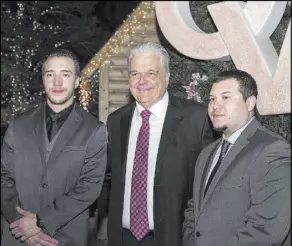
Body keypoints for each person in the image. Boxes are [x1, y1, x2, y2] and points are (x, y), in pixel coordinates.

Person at [106, 42, 217, 246]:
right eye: (135, 74)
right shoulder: (116, 121)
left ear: (166, 77)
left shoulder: (198, 119)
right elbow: (108, 179)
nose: (142, 81)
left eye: (151, 73)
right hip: (123, 238)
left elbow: (211, 185)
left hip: (175, 238)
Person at [1, 49, 107, 246]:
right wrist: (20, 223)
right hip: (18, 237)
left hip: (66, 238)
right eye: (50, 75)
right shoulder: (19, 125)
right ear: (43, 80)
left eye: (65, 75)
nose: (57, 82)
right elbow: (3, 176)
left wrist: (41, 221)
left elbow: (89, 187)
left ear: (76, 81)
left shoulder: (95, 130)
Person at [183, 69, 291, 246]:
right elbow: (194, 210)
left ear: (250, 103)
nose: (215, 106)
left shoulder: (273, 150)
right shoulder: (207, 153)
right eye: (212, 99)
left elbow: (267, 230)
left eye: (225, 97)